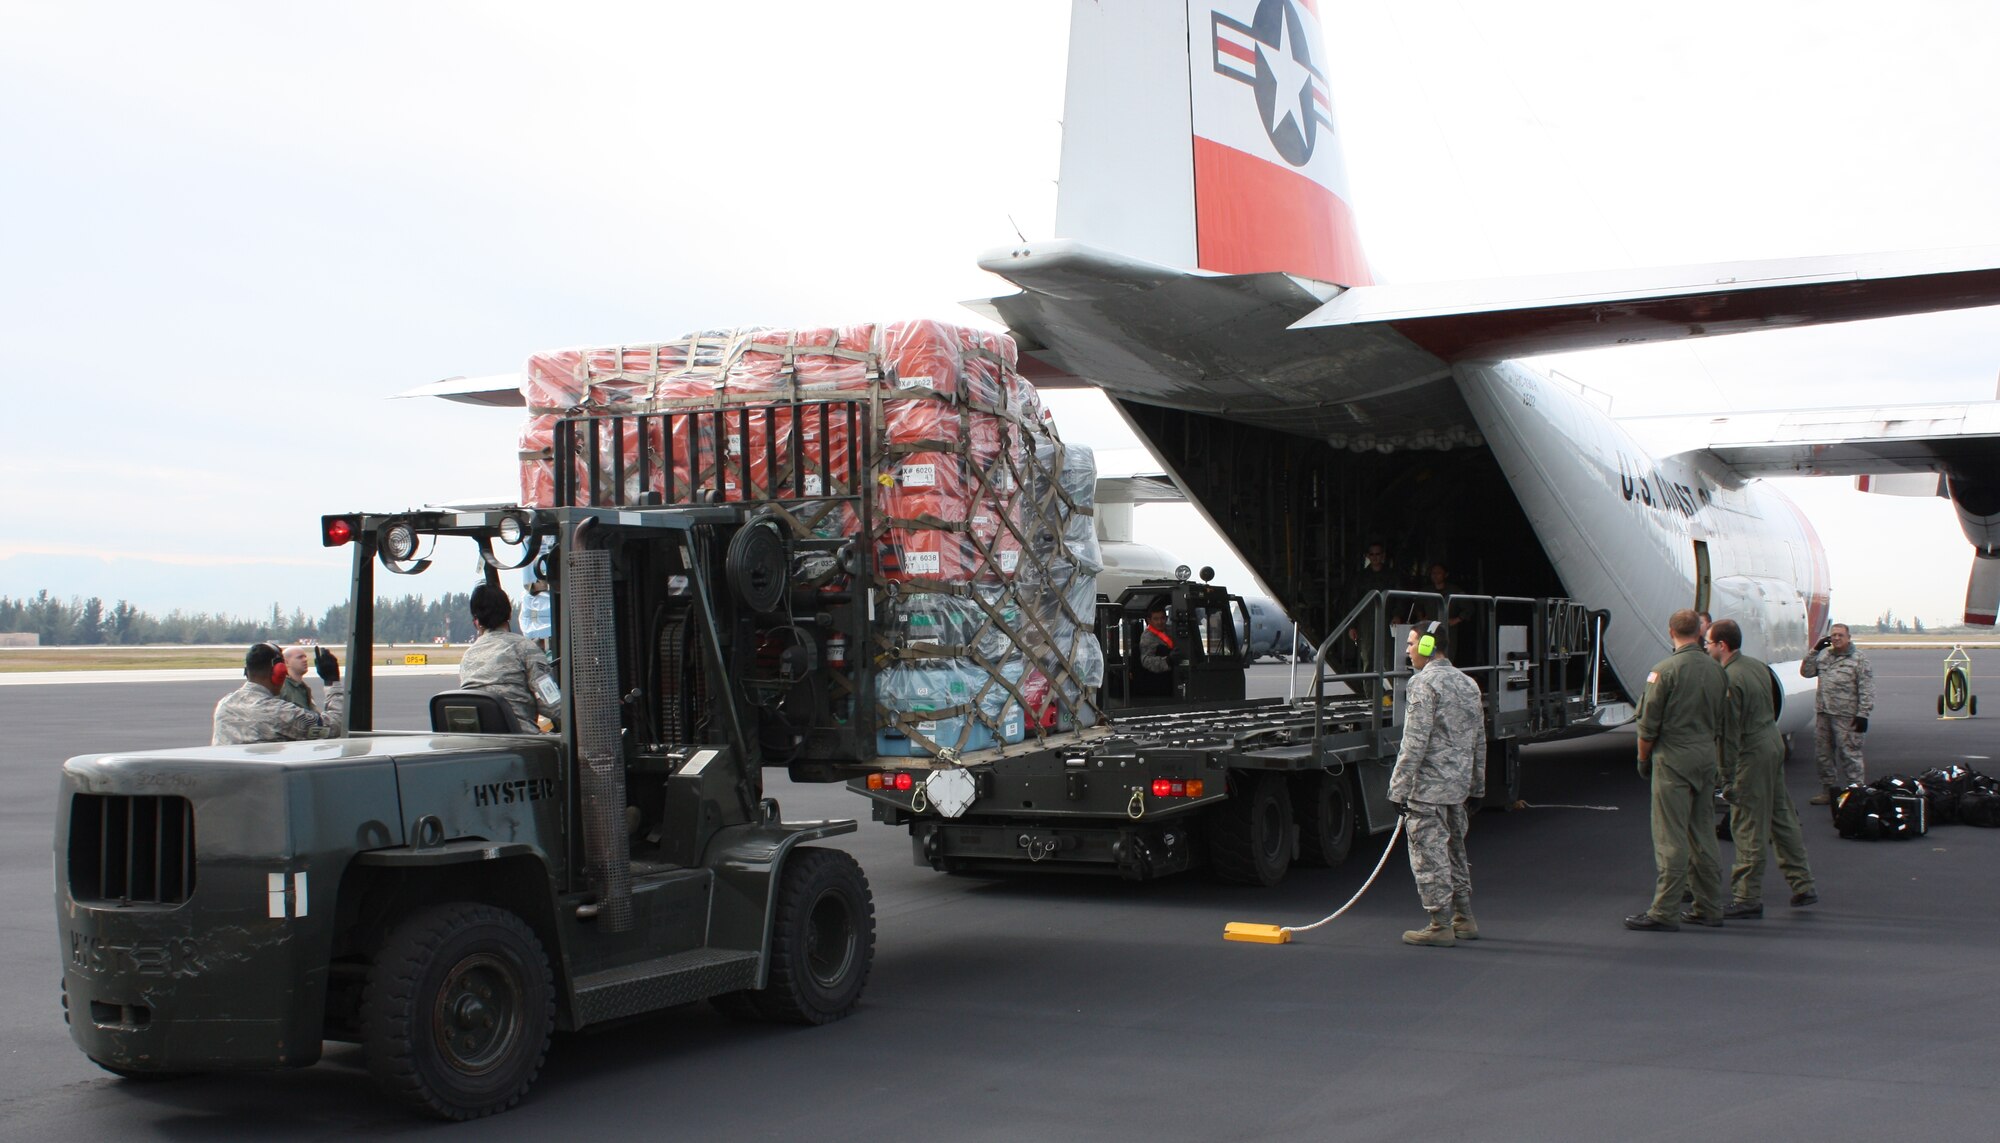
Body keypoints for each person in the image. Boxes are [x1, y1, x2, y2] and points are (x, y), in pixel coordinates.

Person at [1626, 608, 1728, 932]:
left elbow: (1647, 726)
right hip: (1704, 757)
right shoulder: (1716, 670)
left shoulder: (1664, 671)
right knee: (1703, 834)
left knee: (1671, 838)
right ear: (1700, 633)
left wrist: (1643, 760)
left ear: (1672, 632)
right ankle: (1709, 906)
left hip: (1673, 761)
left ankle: (1664, 910)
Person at [1707, 619, 1818, 916]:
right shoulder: (1756, 667)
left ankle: (1747, 896)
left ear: (1722, 645)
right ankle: (1802, 884)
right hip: (1771, 744)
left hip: (1752, 754)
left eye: (1709, 643)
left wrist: (1726, 776)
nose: (1706, 648)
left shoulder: (1729, 679)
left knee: (1747, 825)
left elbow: (1728, 734)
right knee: (1781, 818)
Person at [1388, 620, 1487, 947]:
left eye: (1412, 643)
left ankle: (1439, 924)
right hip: (1456, 788)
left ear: (1429, 647)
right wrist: (1477, 784)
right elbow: (1479, 740)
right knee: (1455, 851)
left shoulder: (1423, 684)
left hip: (1428, 790)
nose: (1408, 649)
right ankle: (1464, 917)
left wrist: (1398, 788)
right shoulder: (1469, 684)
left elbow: (1414, 742)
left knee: (1429, 856)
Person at [460, 583, 561, 731]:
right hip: (521, 740)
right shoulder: (525, 648)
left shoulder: (467, 656)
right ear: (510, 613)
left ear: (476, 621)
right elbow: (552, 703)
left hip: (481, 741)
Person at [212, 641, 346, 745]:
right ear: (279, 672)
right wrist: (332, 681)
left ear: (247, 671)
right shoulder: (280, 713)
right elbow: (338, 723)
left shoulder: (224, 704)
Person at [1800, 623, 1872, 804]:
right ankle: (1829, 791)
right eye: (1833, 635)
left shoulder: (1859, 659)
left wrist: (1863, 714)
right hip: (1824, 714)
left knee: (1850, 755)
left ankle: (1856, 792)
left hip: (1847, 716)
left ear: (1848, 637)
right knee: (1823, 755)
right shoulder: (1825, 658)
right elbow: (1806, 672)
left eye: (1840, 635)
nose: (1836, 638)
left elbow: (1867, 689)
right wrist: (1815, 650)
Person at [1138, 604, 1175, 674]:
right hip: (1160, 676)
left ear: (1166, 618)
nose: (1160, 622)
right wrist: (1167, 660)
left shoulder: (1172, 630)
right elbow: (1146, 661)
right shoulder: (1147, 637)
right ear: (1149, 620)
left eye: (1162, 618)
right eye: (1156, 619)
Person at [279, 644, 316, 710]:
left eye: (305, 656)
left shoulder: (303, 687)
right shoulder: (283, 687)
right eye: (300, 657)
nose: (305, 660)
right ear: (286, 662)